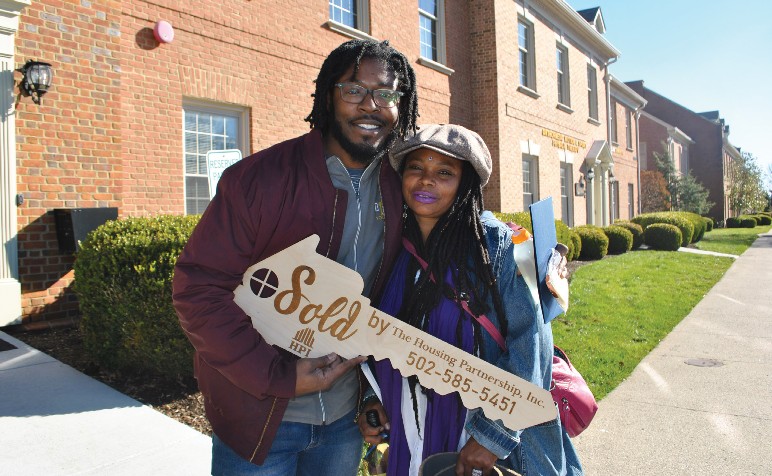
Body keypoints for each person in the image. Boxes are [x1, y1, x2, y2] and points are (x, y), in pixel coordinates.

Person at [172, 39, 418, 475]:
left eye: (385, 94)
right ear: (328, 95)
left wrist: (377, 391)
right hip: (261, 418)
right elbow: (198, 289)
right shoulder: (259, 179)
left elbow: (400, 298)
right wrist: (276, 376)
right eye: (354, 90)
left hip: (344, 422)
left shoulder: (401, 188)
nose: (371, 105)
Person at [357, 124, 583, 476]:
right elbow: (376, 338)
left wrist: (494, 436)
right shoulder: (392, 249)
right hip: (410, 435)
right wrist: (372, 399)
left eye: (444, 172)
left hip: (482, 441)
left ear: (466, 184)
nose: (426, 181)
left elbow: (532, 348)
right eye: (416, 168)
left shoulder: (504, 247)